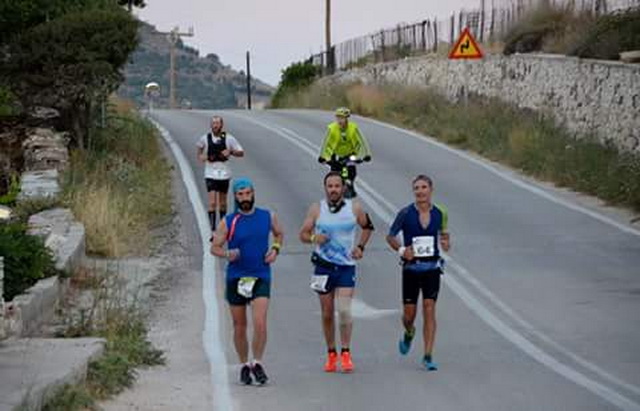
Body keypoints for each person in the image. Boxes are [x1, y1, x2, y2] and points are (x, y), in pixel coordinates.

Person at [299, 171, 374, 373]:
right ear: (325, 188)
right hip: (323, 266)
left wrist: (360, 247)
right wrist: (314, 238)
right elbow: (303, 234)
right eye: (330, 186)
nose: (333, 190)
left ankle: (346, 352)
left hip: (346, 266)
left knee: (344, 309)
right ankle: (331, 353)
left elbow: (368, 227)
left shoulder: (354, 207)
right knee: (326, 313)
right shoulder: (317, 209)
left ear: (343, 188)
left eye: (337, 186)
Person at [210, 177, 284, 385]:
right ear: (235, 197)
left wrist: (275, 249)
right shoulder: (228, 221)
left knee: (260, 322)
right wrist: (227, 254)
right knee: (239, 325)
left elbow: (279, 234)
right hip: (236, 277)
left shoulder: (267, 216)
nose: (244, 198)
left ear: (253, 194)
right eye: (240, 195)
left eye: (247, 194)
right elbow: (214, 247)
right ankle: (244, 364)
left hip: (260, 275)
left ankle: (257, 362)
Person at [386, 175, 450, 371]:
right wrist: (402, 250)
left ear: (431, 189)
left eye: (423, 187)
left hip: (432, 268)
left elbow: (444, 234)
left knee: (429, 308)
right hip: (411, 269)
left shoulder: (440, 212)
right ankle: (409, 332)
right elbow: (390, 236)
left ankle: (428, 355)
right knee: (409, 316)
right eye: (416, 188)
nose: (420, 191)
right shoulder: (405, 213)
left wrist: (446, 242)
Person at [196, 115, 244, 236]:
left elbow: (241, 152)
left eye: (217, 123)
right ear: (210, 125)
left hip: (224, 174)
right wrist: (202, 157)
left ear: (221, 125)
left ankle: (222, 227)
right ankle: (213, 230)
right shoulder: (205, 138)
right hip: (210, 173)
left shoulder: (229, 138)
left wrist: (231, 152)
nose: (215, 125)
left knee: (222, 203)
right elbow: (199, 151)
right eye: (213, 123)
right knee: (212, 202)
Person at [317, 107, 372, 188]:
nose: (339, 120)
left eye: (342, 118)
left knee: (351, 170)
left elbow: (362, 141)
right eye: (338, 118)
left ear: (346, 119)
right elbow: (325, 143)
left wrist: (367, 154)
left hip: (350, 154)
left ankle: (350, 185)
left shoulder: (353, 128)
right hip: (336, 154)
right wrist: (322, 156)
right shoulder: (332, 128)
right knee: (334, 175)